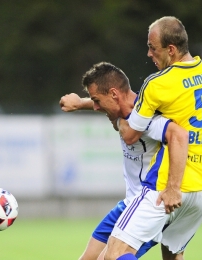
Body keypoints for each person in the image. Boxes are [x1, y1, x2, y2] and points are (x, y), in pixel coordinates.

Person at [103, 16, 202, 260]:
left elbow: (130, 133)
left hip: (166, 186)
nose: (149, 53)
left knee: (114, 254)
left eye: (152, 47)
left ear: (171, 49)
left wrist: (110, 111)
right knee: (172, 255)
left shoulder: (157, 83)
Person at [59, 62, 188, 260]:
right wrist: (80, 104)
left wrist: (173, 188)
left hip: (149, 204)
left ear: (113, 93)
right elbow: (117, 108)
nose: (95, 106)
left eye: (96, 100)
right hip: (129, 203)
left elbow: (178, 136)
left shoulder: (148, 118)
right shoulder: (123, 109)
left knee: (111, 257)